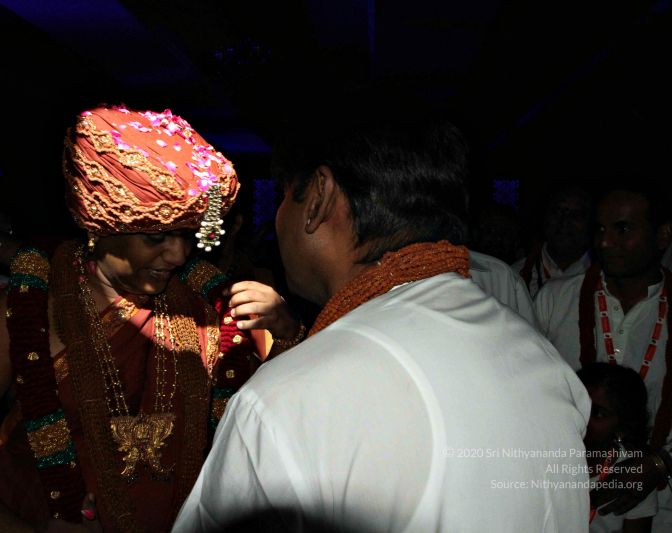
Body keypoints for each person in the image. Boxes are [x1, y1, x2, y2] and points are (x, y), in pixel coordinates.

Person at [172, 115, 592, 532]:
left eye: (284, 196)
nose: (279, 217)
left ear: (318, 197)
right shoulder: (544, 361)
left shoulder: (290, 399)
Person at [0, 105, 302, 533]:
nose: (178, 254)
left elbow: (285, 422)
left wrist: (288, 333)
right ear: (100, 224)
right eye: (157, 236)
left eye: (187, 234)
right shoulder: (27, 313)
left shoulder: (209, 308)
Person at [534, 183, 672, 532]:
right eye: (599, 229)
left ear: (662, 236)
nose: (605, 243)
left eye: (622, 229)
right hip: (567, 496)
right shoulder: (556, 299)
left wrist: (659, 462)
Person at [577, 363, 656, 533]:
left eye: (598, 414)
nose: (582, 418)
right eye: (576, 406)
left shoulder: (636, 476)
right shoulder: (546, 456)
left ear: (623, 427)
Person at [513, 183, 594, 298]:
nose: (564, 221)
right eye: (557, 212)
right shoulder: (514, 277)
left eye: (576, 215)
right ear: (544, 218)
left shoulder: (607, 276)